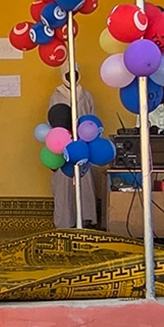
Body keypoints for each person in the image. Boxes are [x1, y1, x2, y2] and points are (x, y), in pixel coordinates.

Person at [48, 75, 100, 229]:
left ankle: (85, 219)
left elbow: (92, 117)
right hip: (62, 145)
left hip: (83, 145)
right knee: (63, 185)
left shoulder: (86, 95)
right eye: (68, 74)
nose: (72, 77)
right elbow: (51, 119)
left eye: (75, 74)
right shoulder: (56, 96)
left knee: (84, 181)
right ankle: (65, 222)